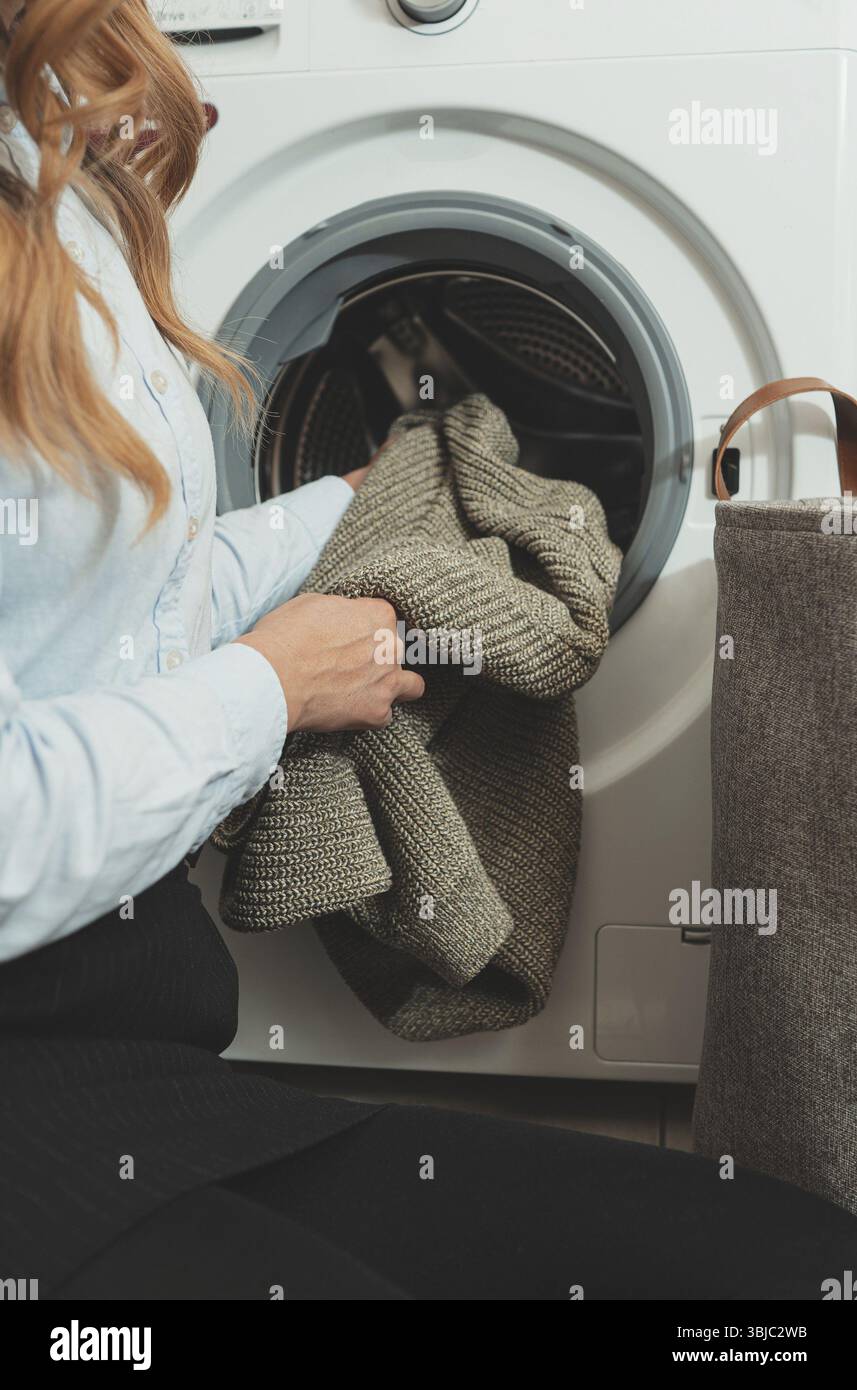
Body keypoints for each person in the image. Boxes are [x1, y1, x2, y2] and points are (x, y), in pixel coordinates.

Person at [0, 0, 854, 1302]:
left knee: (796, 1277)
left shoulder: (42, 177)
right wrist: (273, 687)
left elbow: (123, 601)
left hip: (141, 1062)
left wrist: (361, 502)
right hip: (42, 1104)